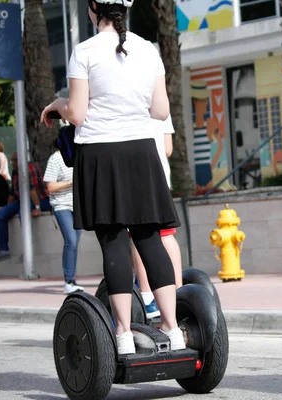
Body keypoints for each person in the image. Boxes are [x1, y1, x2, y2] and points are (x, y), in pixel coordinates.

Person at [40, 0, 185, 356]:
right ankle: (173, 329)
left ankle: (122, 333)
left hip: (101, 156)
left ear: (93, 9)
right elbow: (161, 110)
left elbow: (77, 113)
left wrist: (57, 105)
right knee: (150, 240)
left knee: (115, 244)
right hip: (140, 153)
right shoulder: (148, 50)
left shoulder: (84, 51)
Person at [131, 115, 184, 320]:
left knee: (139, 234)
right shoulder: (163, 107)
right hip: (162, 176)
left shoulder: (132, 98)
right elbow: (168, 149)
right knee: (166, 233)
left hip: (139, 174)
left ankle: (147, 297)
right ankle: (178, 292)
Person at [0, 152, 51, 264]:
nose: (13, 163)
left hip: (39, 198)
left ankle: (28, 250)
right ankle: (3, 250)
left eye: (15, 160)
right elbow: (13, 193)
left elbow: (32, 190)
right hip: (23, 200)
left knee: (23, 213)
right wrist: (7, 208)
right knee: (1, 214)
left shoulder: (28, 169)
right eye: (12, 160)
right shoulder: (15, 171)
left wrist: (37, 207)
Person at [44, 143, 84, 294]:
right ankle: (69, 281)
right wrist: (70, 182)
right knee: (71, 241)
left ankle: (71, 280)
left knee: (74, 244)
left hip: (77, 206)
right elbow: (50, 187)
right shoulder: (55, 159)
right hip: (62, 206)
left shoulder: (78, 155)